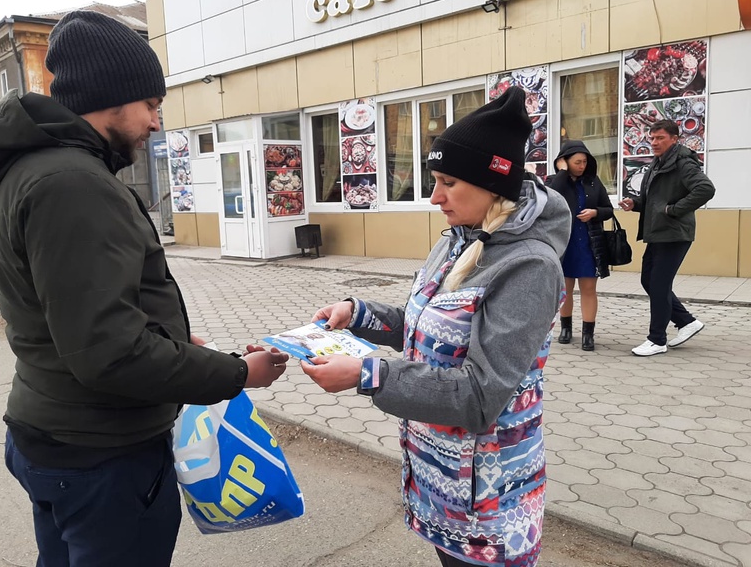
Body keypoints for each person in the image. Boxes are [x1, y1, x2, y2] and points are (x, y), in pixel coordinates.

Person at [0, 11, 288, 566]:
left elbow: (77, 314)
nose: (157, 123)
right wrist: (237, 374)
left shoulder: (30, 171)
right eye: (151, 105)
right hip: (100, 452)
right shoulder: (73, 183)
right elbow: (109, 352)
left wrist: (180, 345)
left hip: (55, 432)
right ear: (111, 99)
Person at [301, 88, 569, 567]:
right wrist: (357, 312)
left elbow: (480, 394)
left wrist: (368, 375)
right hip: (443, 477)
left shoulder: (529, 266)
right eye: (435, 180)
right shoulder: (460, 240)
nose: (433, 196)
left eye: (448, 182)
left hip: (489, 497)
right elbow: (428, 327)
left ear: (494, 186)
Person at [618, 119, 715, 357]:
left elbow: (706, 189)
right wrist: (636, 203)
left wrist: (674, 210)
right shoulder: (659, 163)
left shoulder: (682, 163)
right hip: (659, 232)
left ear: (675, 138)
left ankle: (657, 339)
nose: (654, 142)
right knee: (649, 281)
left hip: (674, 233)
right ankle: (686, 322)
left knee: (659, 284)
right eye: (652, 138)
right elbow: (656, 200)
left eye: (660, 138)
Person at [547, 140, 613, 351]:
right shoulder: (554, 181)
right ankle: (566, 329)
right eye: (577, 162)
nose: (582, 166)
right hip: (564, 244)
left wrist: (595, 213)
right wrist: (562, 173)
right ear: (564, 162)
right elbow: (550, 201)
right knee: (564, 290)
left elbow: (608, 209)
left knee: (588, 289)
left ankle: (588, 334)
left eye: (584, 161)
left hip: (588, 243)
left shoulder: (593, 182)